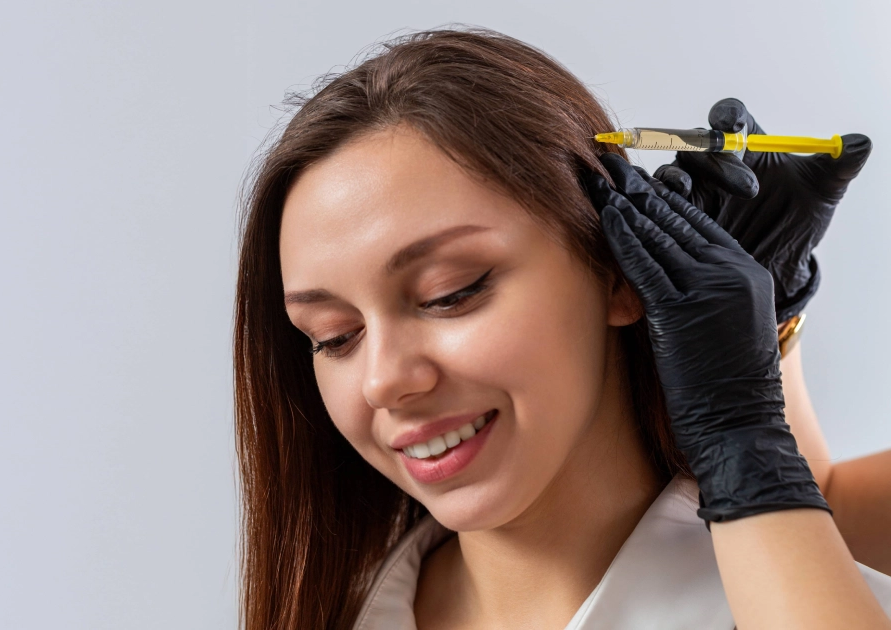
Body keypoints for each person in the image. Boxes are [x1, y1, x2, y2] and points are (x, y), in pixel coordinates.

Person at [234, 27, 891, 629]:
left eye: (450, 293)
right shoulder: (345, 607)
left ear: (616, 272)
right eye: (334, 336)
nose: (383, 381)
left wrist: (744, 433)